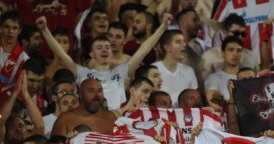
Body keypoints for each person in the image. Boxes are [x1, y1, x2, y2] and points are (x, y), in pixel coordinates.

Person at [37, 13, 172, 110]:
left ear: (111, 52)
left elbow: (144, 49)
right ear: (92, 54)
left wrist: (163, 27)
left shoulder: (121, 71)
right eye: (99, 48)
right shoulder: (82, 73)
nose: (104, 50)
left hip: (118, 122)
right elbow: (60, 54)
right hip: (92, 122)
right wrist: (44, 30)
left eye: (107, 47)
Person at [50, 79, 116, 136]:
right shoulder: (65, 119)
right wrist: (68, 142)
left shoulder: (111, 117)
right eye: (91, 91)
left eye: (99, 91)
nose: (97, 95)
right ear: (80, 95)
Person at [153, 30, 199, 106]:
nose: (184, 45)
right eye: (178, 42)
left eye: (184, 42)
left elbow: (195, 99)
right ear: (167, 47)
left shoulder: (189, 70)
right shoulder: (154, 69)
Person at [205, 36, 242, 110]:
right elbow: (214, 104)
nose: (235, 54)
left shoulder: (248, 77)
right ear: (223, 53)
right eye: (230, 50)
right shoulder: (213, 78)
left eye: (238, 50)